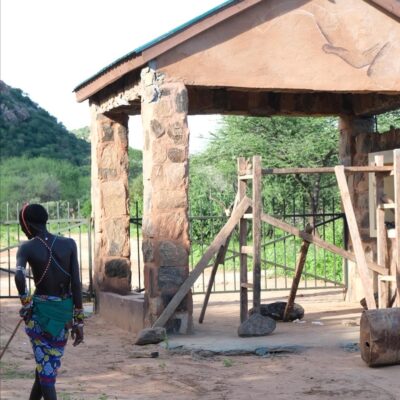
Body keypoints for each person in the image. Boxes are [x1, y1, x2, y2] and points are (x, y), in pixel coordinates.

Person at [14, 204, 84, 400]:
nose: (22, 229)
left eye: (22, 225)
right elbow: (76, 284)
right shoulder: (69, 244)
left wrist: (26, 304)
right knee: (44, 368)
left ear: (28, 225)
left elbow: (19, 277)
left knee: (46, 375)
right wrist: (78, 321)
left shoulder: (27, 248)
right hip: (63, 313)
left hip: (40, 316)